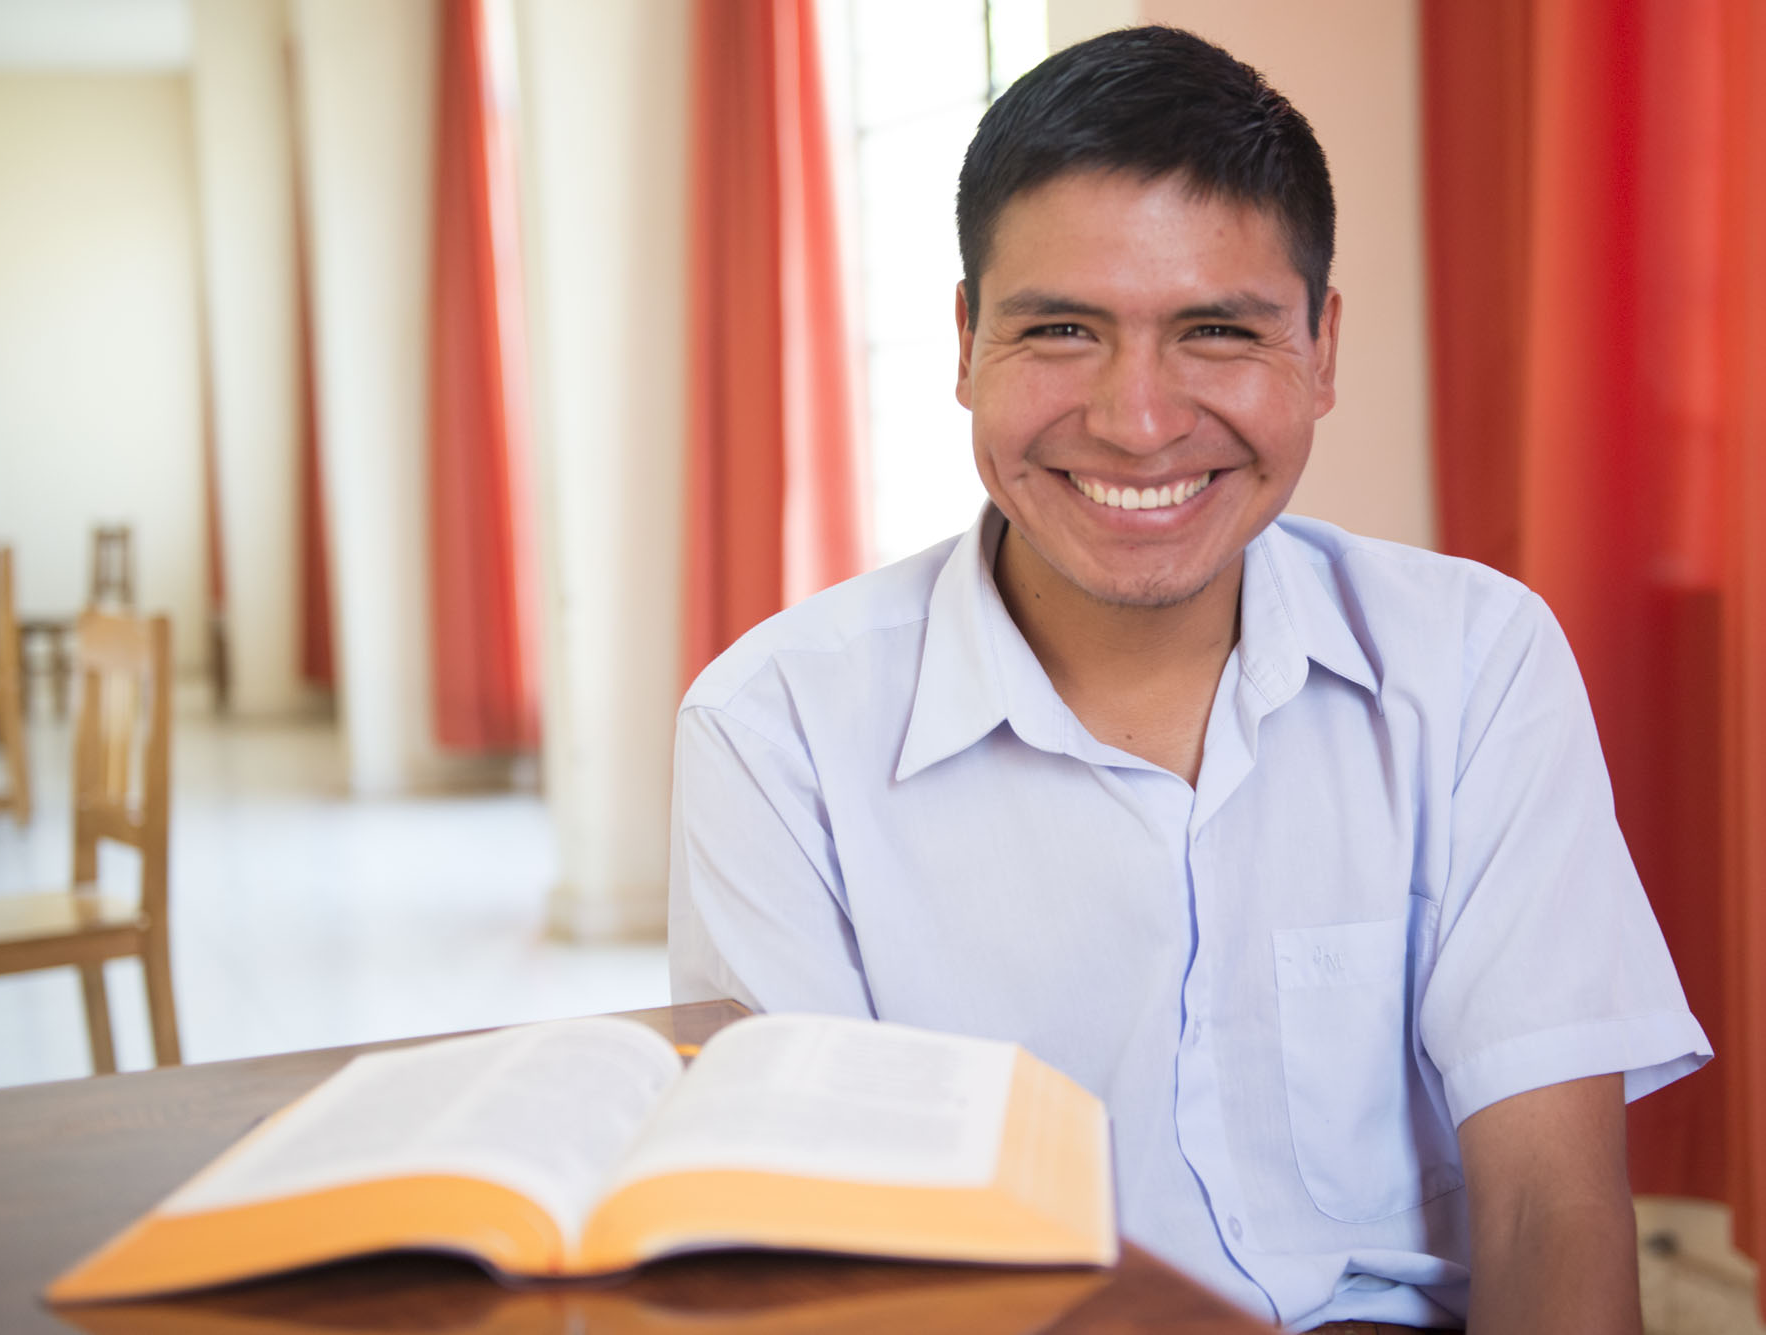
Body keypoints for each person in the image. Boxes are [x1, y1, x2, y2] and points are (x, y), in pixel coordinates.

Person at [667, 25, 1709, 1335]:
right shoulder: (771, 733)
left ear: (1320, 351)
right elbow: (829, 1257)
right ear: (964, 342)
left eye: (1216, 331)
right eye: (1059, 329)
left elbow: (1542, 1210)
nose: (1137, 420)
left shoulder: (1473, 661)